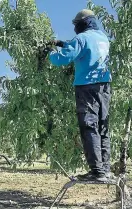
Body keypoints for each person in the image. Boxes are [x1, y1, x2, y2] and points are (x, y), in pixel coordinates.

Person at [44, 9, 112, 182]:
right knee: (102, 126)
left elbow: (63, 59)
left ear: (84, 22)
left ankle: (96, 172)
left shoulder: (81, 38)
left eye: (76, 24)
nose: (75, 28)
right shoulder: (103, 38)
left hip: (86, 86)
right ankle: (105, 169)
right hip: (104, 87)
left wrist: (50, 53)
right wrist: (61, 43)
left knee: (89, 126)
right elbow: (83, 48)